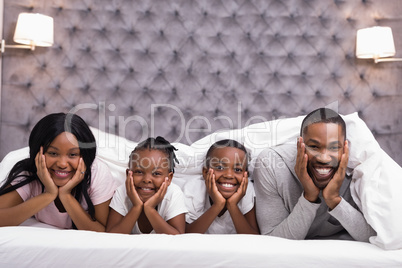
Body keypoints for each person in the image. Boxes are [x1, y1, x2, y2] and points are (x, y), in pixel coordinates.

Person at [253, 108, 376, 241]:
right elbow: (272, 241)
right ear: (300, 145)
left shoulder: (359, 169)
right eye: (314, 147)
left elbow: (376, 237)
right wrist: (309, 197)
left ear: (345, 148)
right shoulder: (271, 164)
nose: (324, 158)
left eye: (334, 147)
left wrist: (334, 199)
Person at [0, 113, 118, 231]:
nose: (62, 164)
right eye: (53, 153)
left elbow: (103, 231)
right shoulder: (30, 173)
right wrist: (49, 195)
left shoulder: (97, 173)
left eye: (73, 154)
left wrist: (66, 195)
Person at [106, 136, 188, 234]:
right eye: (139, 172)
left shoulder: (173, 194)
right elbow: (111, 237)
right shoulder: (122, 192)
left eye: (156, 173)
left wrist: (150, 209)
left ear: (169, 178)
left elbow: (178, 240)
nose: (147, 180)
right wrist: (136, 207)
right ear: (128, 174)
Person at [184, 139, 259, 234]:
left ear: (245, 175)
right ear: (205, 172)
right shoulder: (194, 190)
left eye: (237, 169)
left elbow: (255, 240)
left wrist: (232, 206)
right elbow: (185, 237)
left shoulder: (246, 190)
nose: (229, 175)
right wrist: (218, 205)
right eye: (220, 167)